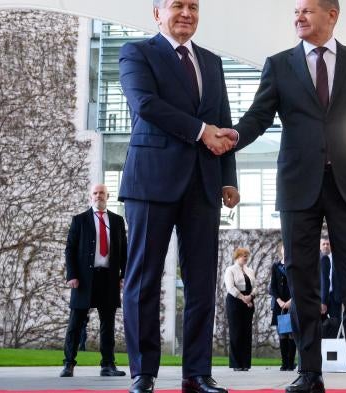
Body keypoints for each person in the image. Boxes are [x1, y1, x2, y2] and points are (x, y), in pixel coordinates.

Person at [231, 1, 346, 391]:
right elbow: (259, 116)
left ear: (332, 15)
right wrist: (233, 137)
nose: (298, 16)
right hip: (298, 185)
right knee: (302, 281)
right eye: (296, 11)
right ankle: (309, 372)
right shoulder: (278, 64)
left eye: (308, 10)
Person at [117, 1, 240, 392]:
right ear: (157, 13)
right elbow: (146, 105)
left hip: (203, 184)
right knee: (143, 279)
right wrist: (201, 130)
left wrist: (228, 178)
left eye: (193, 6)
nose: (186, 12)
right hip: (151, 182)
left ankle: (197, 374)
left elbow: (223, 119)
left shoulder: (212, 62)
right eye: (176, 5)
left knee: (202, 282)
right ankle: (143, 373)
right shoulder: (136, 53)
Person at [60, 184, 127, 378]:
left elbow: (124, 251)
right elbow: (70, 249)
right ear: (91, 197)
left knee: (108, 324)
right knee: (75, 323)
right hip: (84, 280)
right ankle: (68, 364)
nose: (99, 196)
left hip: (109, 279)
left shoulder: (116, 221)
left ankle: (108, 365)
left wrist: (123, 276)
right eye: (95, 193)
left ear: (108, 196)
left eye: (102, 193)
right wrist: (72, 275)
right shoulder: (79, 220)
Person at [223, 248, 257, 372]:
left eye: (247, 256)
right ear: (237, 256)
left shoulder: (250, 271)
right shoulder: (230, 270)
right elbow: (230, 287)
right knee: (236, 332)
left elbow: (255, 287)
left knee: (247, 333)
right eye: (244, 256)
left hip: (249, 302)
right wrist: (244, 298)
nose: (246, 258)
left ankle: (245, 363)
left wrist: (251, 297)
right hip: (235, 301)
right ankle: (236, 364)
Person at [270, 243, 297, 371]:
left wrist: (291, 301)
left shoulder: (295, 266)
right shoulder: (275, 266)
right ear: (280, 250)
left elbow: (298, 285)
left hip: (293, 303)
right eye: (283, 248)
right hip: (279, 305)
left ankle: (291, 363)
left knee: (292, 333)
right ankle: (284, 363)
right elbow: (272, 287)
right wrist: (280, 301)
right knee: (282, 334)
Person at [319, 236, 341, 338]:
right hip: (319, 298)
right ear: (320, 246)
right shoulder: (316, 260)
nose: (326, 246)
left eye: (328, 244)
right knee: (320, 325)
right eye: (323, 244)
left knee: (335, 324)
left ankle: (334, 348)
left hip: (334, 297)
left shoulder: (338, 260)